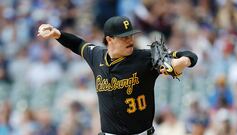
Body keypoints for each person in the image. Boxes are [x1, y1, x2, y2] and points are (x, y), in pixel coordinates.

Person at [37, 16, 197, 135]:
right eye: (124, 37)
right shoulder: (97, 56)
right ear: (109, 39)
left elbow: (190, 55)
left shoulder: (146, 58)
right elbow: (78, 44)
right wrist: (58, 34)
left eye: (131, 35)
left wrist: (183, 61)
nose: (130, 40)